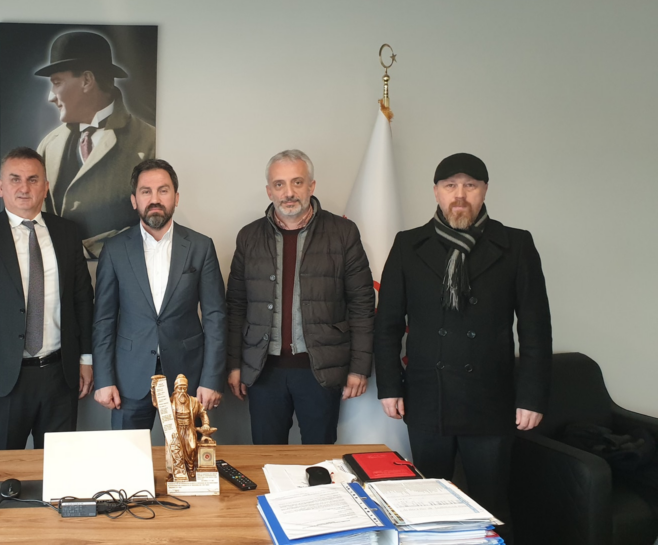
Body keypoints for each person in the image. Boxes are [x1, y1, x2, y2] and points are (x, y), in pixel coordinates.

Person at [374, 153, 552, 536]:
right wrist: (389, 385)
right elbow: (387, 325)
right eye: (450, 185)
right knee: (429, 504)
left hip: (491, 400)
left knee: (491, 503)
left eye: (470, 185)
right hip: (427, 397)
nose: (460, 195)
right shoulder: (408, 245)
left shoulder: (516, 244)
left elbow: (536, 329)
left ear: (484, 190)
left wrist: (532, 396)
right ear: (436, 191)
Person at [0, 147, 94, 450]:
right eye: (15, 179)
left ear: (46, 187)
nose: (24, 188)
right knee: (1, 471)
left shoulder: (67, 232)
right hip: (0, 380)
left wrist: (86, 358)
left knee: (59, 468)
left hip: (60, 376)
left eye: (33, 179)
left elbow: (82, 299)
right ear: (0, 187)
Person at [226, 150, 376, 444]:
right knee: (267, 458)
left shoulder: (343, 233)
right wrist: (233, 365)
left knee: (319, 460)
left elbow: (362, 305)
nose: (289, 193)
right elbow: (236, 307)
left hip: (321, 370)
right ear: (269, 191)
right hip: (263, 371)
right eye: (279, 184)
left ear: (311, 186)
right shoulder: (248, 237)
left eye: (297, 182)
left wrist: (359, 368)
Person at [93, 159, 227, 431]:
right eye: (146, 191)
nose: (155, 199)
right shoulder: (114, 249)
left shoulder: (201, 247)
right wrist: (104, 379)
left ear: (176, 197)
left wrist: (211, 379)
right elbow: (103, 320)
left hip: (187, 377)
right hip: (129, 378)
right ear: (134, 200)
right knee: (128, 455)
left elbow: (215, 316)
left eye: (163, 190)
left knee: (187, 457)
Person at [34, 31, 156, 258]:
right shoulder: (49, 146)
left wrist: (91, 249)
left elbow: (154, 218)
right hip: (62, 272)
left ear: (87, 81)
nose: (51, 96)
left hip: (122, 269)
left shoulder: (149, 141)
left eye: (57, 83)